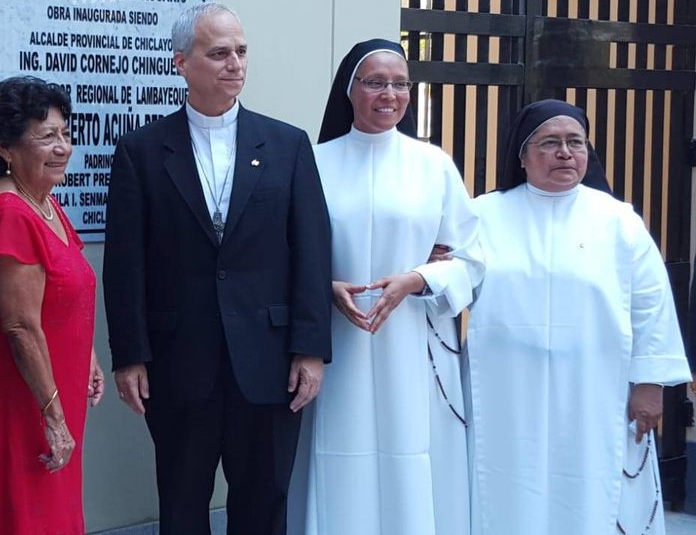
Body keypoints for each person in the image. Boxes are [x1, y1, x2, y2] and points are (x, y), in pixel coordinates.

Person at [104, 3, 333, 534]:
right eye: (219, 53)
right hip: (180, 360)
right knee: (182, 504)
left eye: (241, 51)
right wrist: (129, 356)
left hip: (270, 360)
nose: (235, 63)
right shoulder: (141, 151)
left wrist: (311, 349)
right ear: (181, 62)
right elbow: (125, 264)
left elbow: (311, 252)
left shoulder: (286, 145)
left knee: (264, 501)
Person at [465, 99, 689, 534]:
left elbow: (651, 305)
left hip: (597, 390)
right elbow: (450, 282)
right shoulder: (482, 215)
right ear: (523, 156)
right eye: (550, 143)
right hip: (506, 392)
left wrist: (649, 384)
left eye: (576, 142)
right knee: (507, 485)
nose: (566, 152)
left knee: (591, 488)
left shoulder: (618, 220)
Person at [288, 39, 483, 534]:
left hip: (412, 345)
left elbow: (472, 256)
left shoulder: (432, 164)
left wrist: (418, 279)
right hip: (336, 341)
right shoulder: (313, 161)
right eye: (375, 82)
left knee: (411, 454)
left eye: (399, 84)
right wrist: (326, 285)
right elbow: (285, 251)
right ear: (350, 90)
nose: (389, 94)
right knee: (336, 453)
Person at [0, 76, 103, 534]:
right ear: (5, 147)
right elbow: (20, 326)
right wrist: (55, 418)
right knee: (21, 512)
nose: (63, 146)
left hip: (56, 387)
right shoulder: (10, 213)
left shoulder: (45, 202)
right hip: (26, 397)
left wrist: (89, 358)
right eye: (47, 136)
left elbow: (66, 293)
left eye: (65, 133)